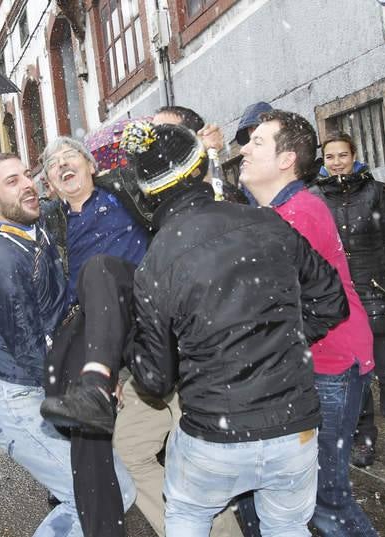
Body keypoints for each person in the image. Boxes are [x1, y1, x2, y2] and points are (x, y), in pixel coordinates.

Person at [123, 120, 349, 536]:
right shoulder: (267, 223)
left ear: (146, 194)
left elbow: (154, 380)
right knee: (287, 526)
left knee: (189, 516)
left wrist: (131, 340)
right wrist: (283, 339)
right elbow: (332, 303)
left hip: (214, 436)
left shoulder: (156, 261)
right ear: (201, 171)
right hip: (292, 427)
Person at [0, 153, 135, 537]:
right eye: (11, 181)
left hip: (46, 383)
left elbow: (76, 192)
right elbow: (31, 356)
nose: (27, 184)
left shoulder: (31, 224)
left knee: (112, 494)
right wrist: (93, 382)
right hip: (18, 399)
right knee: (99, 498)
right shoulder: (1, 264)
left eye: (26, 175)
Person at [238, 111, 378, 536]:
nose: (243, 148)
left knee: (325, 498)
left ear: (287, 160)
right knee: (315, 494)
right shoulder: (283, 209)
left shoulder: (298, 213)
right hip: (313, 366)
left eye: (257, 142)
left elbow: (268, 304)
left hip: (331, 365)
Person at [109, 107, 244, 537]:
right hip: (156, 357)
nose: (152, 142)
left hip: (206, 362)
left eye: (163, 134)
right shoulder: (139, 189)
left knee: (206, 469)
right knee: (130, 449)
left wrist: (216, 164)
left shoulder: (220, 195)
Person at [312, 131, 385, 468]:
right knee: (356, 379)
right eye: (330, 157)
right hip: (342, 307)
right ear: (324, 161)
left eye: (342, 155)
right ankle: (365, 441)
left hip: (381, 296)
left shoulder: (376, 192)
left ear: (354, 155)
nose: (336, 162)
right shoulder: (316, 198)